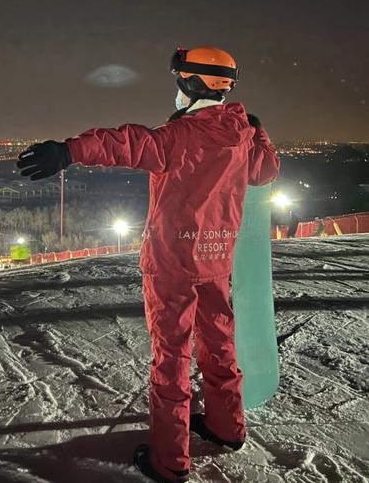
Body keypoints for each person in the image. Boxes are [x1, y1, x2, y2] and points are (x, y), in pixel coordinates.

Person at [17, 47, 280, 483]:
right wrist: (259, 132)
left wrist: (67, 151)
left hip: (172, 265)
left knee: (172, 358)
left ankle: (169, 461)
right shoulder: (242, 136)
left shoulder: (179, 137)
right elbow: (266, 171)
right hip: (217, 260)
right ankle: (226, 427)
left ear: (189, 84)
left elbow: (124, 143)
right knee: (219, 345)